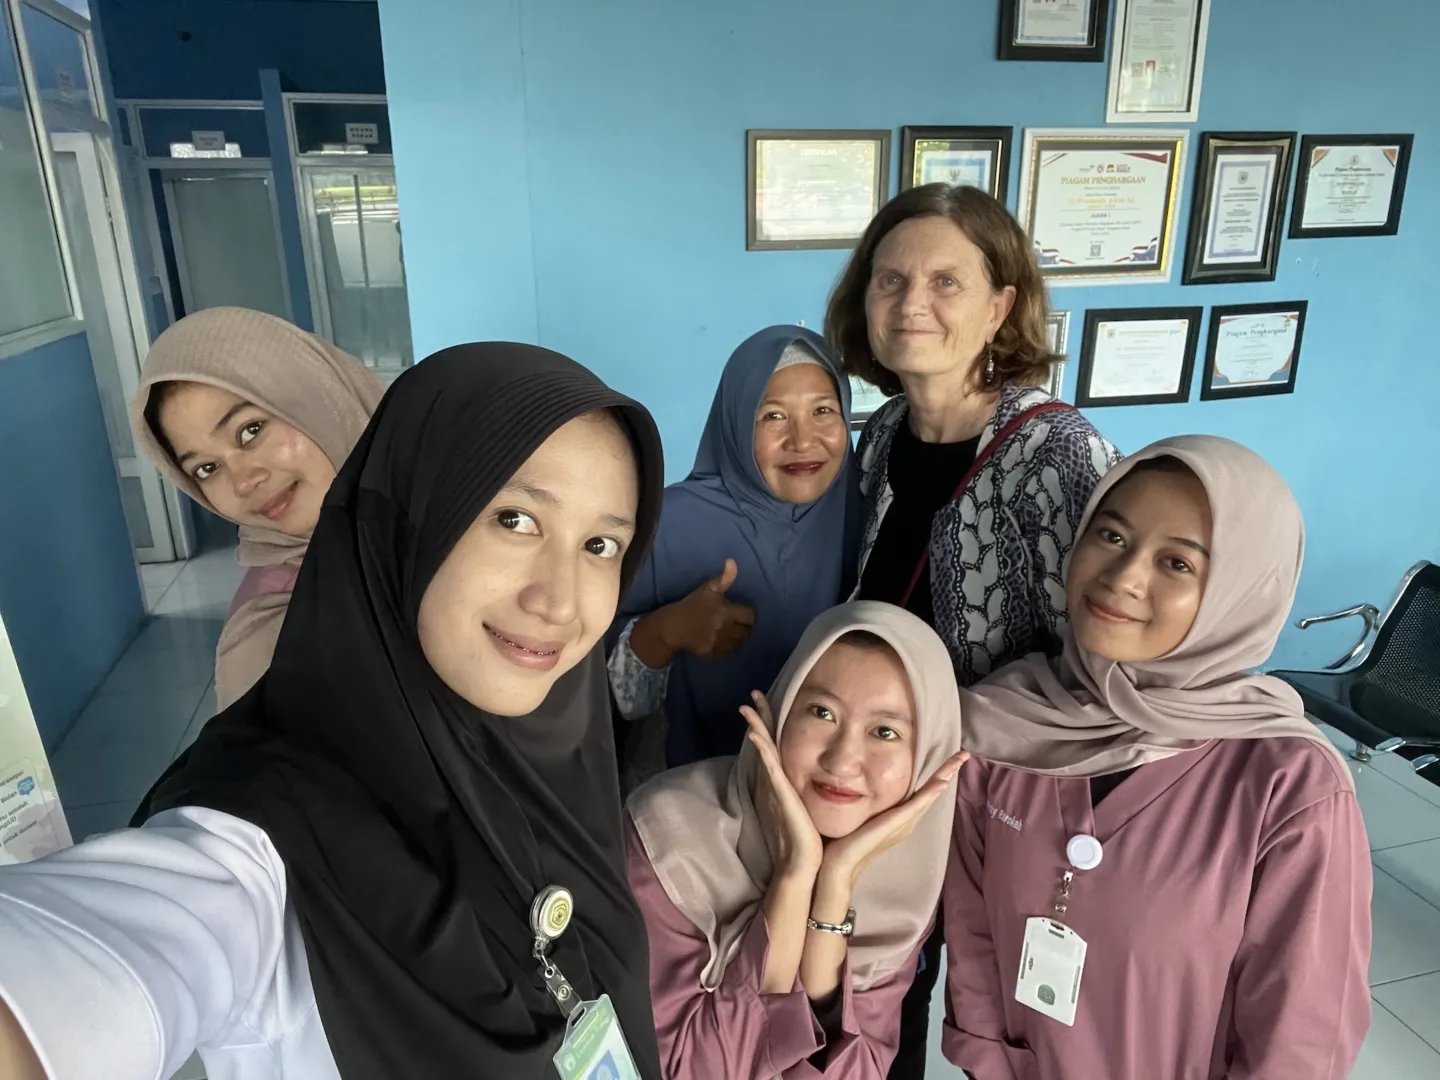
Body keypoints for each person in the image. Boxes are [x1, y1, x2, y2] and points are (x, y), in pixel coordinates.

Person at [0, 344, 667, 1080]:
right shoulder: (261, 848)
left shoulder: (562, 755)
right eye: (514, 519)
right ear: (410, 518)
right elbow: (116, 951)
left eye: (601, 544)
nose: (561, 602)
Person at [943, 436, 1372, 1080]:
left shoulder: (1288, 784)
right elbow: (973, 939)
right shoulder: (1005, 726)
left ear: (1237, 591)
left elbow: (1301, 1037)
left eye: (1177, 563)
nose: (1123, 577)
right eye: (1112, 536)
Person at [824, 183, 1120, 1076]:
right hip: (881, 783)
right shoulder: (880, 436)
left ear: (1000, 306)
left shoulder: (1056, 454)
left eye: (945, 281)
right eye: (889, 279)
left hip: (994, 798)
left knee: (991, 1017)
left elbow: (1099, 665)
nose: (911, 302)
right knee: (877, 993)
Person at [626, 601, 967, 1078]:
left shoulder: (903, 891)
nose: (843, 759)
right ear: (783, 711)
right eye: (822, 712)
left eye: (885, 732)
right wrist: (793, 875)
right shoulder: (667, 834)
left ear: (927, 757)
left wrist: (833, 890)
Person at [609, 324, 860, 772]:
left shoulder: (866, 514)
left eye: (823, 410)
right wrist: (667, 631)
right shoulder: (667, 523)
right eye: (774, 416)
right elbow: (589, 686)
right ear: (737, 424)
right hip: (694, 780)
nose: (803, 440)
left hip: (834, 776)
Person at [130, 306, 386, 709]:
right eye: (206, 468)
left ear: (322, 397)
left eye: (250, 430)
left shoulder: (459, 495)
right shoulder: (272, 637)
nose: (244, 481)